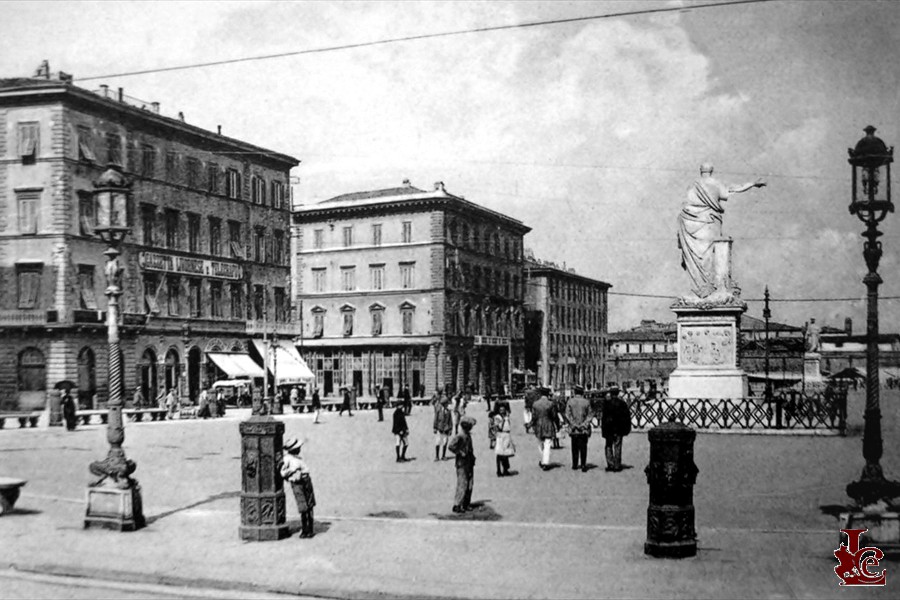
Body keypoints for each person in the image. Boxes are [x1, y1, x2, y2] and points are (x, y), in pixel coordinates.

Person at [677, 163, 766, 298]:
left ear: (700, 171)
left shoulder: (692, 186)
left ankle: (701, 286)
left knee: (696, 255)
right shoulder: (715, 184)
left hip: (689, 223)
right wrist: (752, 184)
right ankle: (709, 286)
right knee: (711, 253)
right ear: (711, 171)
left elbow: (686, 204)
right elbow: (733, 189)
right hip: (709, 221)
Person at [280, 437, 316, 538]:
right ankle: (305, 529)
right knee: (303, 506)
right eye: (298, 447)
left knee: (310, 504)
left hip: (306, 480)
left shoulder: (297, 458)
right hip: (297, 483)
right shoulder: (287, 459)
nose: (299, 449)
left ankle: (310, 529)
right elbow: (283, 473)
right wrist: (292, 470)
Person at [448, 415, 476, 513]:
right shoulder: (460, 436)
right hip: (462, 462)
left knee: (469, 484)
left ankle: (466, 503)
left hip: (469, 461)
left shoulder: (467, 435)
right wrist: (459, 452)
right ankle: (457, 505)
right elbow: (451, 446)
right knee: (462, 483)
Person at [601, 386, 632, 472]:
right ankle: (617, 465)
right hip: (619, 428)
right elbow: (626, 417)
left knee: (608, 446)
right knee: (617, 446)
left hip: (609, 428)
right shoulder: (622, 403)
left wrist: (603, 429)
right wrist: (627, 428)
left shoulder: (607, 403)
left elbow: (603, 418)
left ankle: (610, 464)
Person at [565, 385, 592, 472]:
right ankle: (583, 464)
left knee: (574, 446)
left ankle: (575, 464)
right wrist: (584, 424)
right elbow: (590, 415)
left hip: (574, 429)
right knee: (583, 447)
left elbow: (567, 415)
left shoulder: (570, 401)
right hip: (583, 429)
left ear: (574, 392)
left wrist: (574, 424)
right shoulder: (586, 402)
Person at [532, 388, 557, 471]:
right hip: (548, 424)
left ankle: (543, 460)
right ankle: (545, 462)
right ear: (547, 394)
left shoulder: (535, 404)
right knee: (547, 443)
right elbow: (554, 416)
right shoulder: (551, 404)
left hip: (538, 425)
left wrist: (532, 424)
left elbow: (534, 417)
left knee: (540, 443)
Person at [493, 404, 515, 477]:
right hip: (501, 435)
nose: (502, 411)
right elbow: (496, 427)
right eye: (501, 410)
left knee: (506, 454)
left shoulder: (507, 417)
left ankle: (505, 469)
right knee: (499, 454)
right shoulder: (498, 417)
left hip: (507, 435)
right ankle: (499, 470)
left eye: (503, 410)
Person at [433, 396, 453, 461]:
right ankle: (437, 456)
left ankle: (443, 456)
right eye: (446, 404)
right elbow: (435, 419)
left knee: (445, 442)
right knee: (438, 442)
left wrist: (450, 429)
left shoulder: (448, 411)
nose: (447, 405)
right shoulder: (438, 411)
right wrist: (435, 427)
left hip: (446, 429)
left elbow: (450, 421)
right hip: (439, 428)